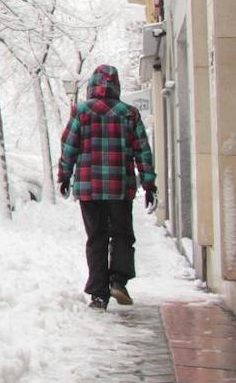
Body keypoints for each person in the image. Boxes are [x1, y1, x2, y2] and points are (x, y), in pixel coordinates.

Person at [58, 64, 157, 311]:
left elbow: (69, 146)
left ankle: (98, 294)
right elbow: (142, 150)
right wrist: (149, 182)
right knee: (122, 235)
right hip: (120, 188)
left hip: (89, 189)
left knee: (96, 238)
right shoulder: (129, 114)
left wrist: (64, 175)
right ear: (117, 86)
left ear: (92, 85)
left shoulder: (80, 111)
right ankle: (118, 282)